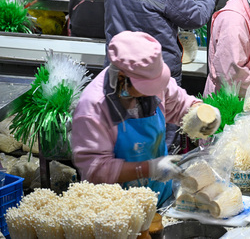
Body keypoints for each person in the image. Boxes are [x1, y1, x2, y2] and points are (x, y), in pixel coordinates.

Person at [71, 31, 220, 207]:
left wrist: (201, 112)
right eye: (146, 87)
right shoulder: (94, 107)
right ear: (122, 78)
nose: (153, 91)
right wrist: (148, 169)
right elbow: (96, 169)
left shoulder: (152, 82)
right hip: (116, 210)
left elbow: (180, 104)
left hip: (159, 196)